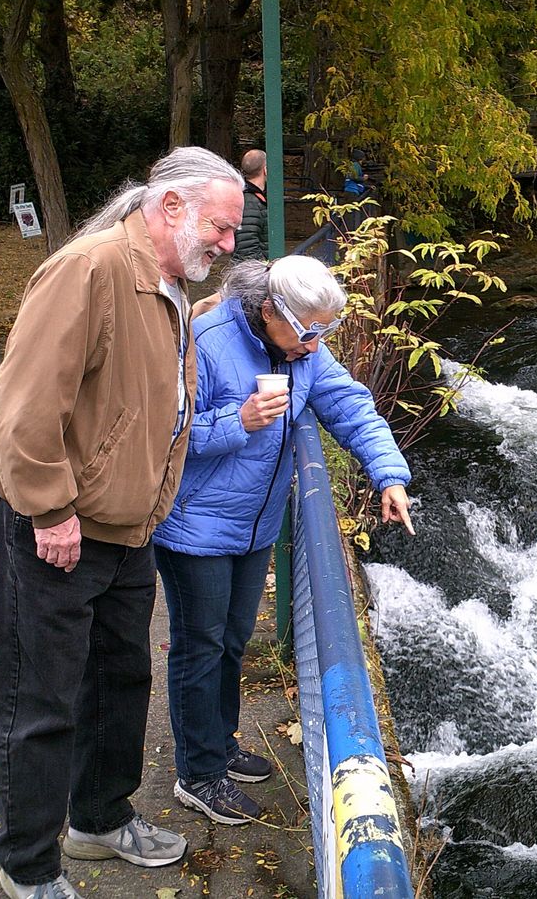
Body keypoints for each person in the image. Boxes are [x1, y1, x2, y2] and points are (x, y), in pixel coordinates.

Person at [0, 147, 244, 899]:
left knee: (119, 681)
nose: (229, 246)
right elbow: (24, 406)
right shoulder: (92, 269)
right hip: (58, 527)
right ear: (169, 208)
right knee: (39, 700)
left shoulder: (167, 285)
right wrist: (51, 508)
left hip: (128, 529)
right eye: (221, 228)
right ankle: (29, 866)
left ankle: (98, 819)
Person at [152, 255, 414, 826]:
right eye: (307, 331)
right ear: (269, 311)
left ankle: (219, 747)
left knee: (232, 640)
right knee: (200, 644)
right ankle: (198, 775)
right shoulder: (204, 338)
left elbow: (349, 406)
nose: (316, 345)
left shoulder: (304, 352)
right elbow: (159, 430)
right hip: (193, 523)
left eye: (325, 333)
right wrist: (237, 421)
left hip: (254, 525)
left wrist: (388, 474)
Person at [233, 148, 268, 261]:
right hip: (253, 272)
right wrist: (264, 268)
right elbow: (246, 248)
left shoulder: (248, 196)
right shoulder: (249, 202)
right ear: (265, 170)